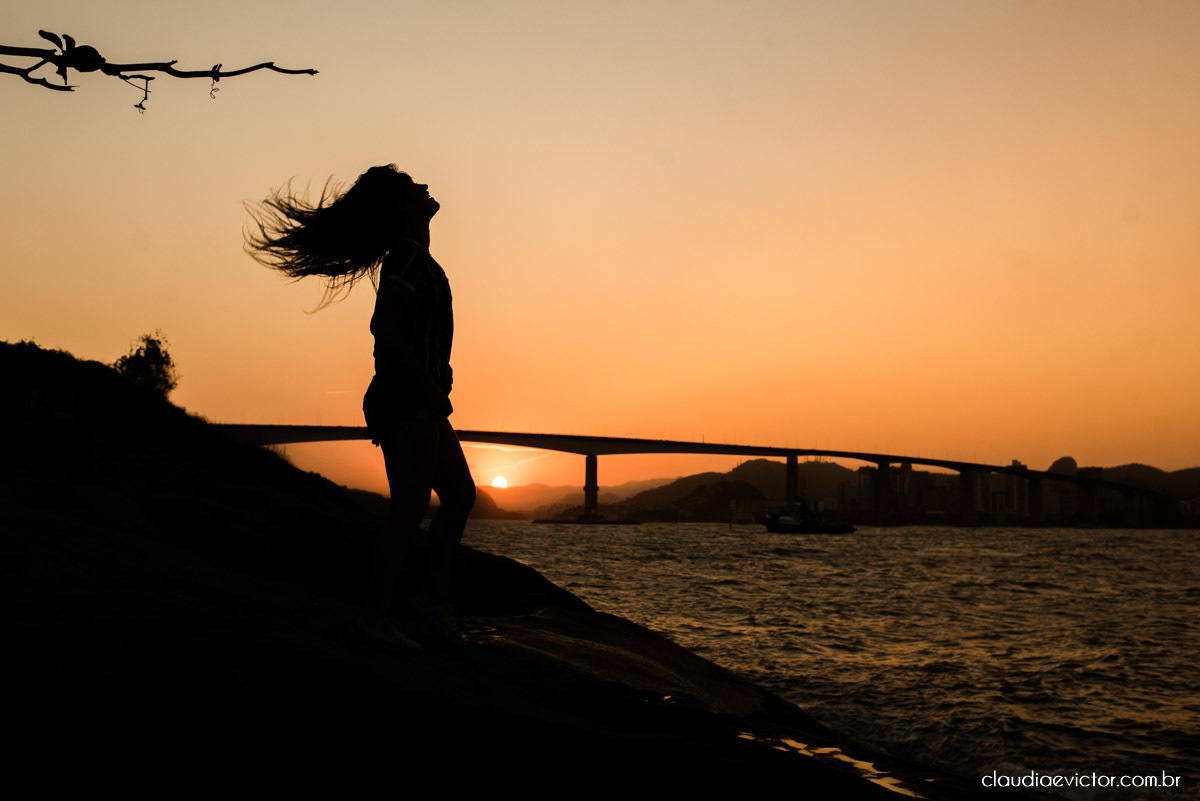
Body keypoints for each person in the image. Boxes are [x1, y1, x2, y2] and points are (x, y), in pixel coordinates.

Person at [246, 164, 475, 644]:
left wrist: (439, 384)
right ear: (401, 206)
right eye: (414, 186)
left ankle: (432, 602)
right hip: (407, 397)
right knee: (411, 508)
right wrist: (429, 387)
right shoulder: (407, 260)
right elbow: (384, 329)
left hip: (425, 399)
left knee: (458, 496)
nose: (426, 187)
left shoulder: (419, 261)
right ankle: (373, 618)